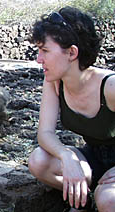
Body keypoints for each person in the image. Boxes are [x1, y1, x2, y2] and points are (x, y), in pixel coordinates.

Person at [27, 6, 115, 212]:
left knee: (109, 201)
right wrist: (67, 156)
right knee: (38, 161)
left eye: (45, 50)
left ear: (72, 52)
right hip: (93, 156)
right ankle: (82, 202)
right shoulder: (54, 82)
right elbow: (45, 133)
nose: (39, 59)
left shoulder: (110, 86)